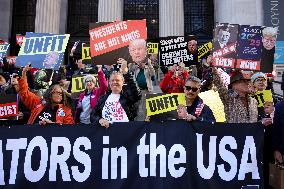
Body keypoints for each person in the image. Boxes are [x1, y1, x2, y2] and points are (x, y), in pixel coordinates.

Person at [90, 62, 141, 128]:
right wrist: (99, 120)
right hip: (107, 134)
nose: (114, 82)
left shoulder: (127, 97)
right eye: (112, 80)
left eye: (117, 80)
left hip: (126, 132)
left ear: (123, 82)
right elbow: (93, 115)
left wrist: (126, 73)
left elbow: (136, 93)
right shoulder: (102, 99)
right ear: (109, 83)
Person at [212, 57, 258, 123]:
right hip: (233, 132)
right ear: (234, 84)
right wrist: (213, 66)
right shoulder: (228, 98)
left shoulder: (254, 101)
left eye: (248, 81)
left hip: (251, 132)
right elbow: (218, 82)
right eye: (244, 81)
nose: (248, 83)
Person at [126, 39, 155, 121]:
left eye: (139, 49)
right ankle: (136, 122)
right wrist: (138, 64)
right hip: (136, 91)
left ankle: (146, 121)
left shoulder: (147, 66)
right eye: (134, 50)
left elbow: (152, 74)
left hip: (146, 90)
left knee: (146, 108)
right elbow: (130, 69)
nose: (137, 52)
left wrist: (148, 64)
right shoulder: (132, 65)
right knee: (136, 108)